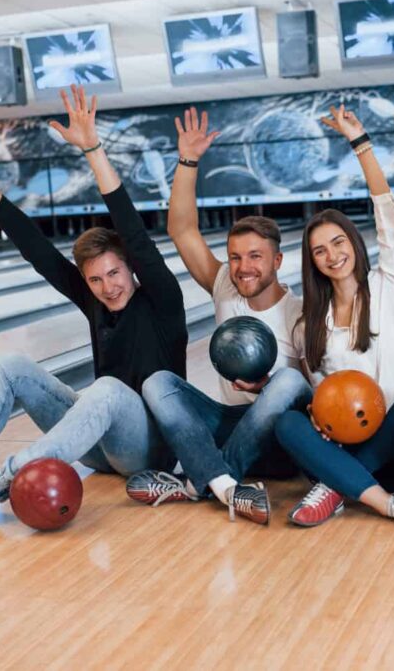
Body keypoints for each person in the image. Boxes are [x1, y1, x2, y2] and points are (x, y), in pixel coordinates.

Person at [0, 85, 187, 533]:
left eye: (115, 274)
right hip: (97, 446)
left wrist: (92, 148)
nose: (108, 287)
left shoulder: (161, 298)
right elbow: (35, 248)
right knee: (9, 364)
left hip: (148, 450)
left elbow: (132, 229)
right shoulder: (93, 299)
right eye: (96, 280)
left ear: (132, 268)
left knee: (105, 390)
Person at [126, 107, 311, 525]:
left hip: (277, 444)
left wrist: (267, 386)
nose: (243, 267)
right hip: (224, 426)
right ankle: (225, 483)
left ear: (278, 260)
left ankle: (200, 481)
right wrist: (188, 161)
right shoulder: (225, 284)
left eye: (255, 257)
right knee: (158, 382)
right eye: (235, 257)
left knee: (290, 381)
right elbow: (183, 231)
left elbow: (312, 397)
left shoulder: (301, 315)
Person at [274, 105, 394, 530]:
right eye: (320, 250)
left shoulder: (388, 284)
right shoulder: (307, 323)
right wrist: (317, 416)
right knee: (290, 422)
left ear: (354, 241)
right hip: (339, 453)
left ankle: (335, 492)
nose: (333, 255)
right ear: (312, 262)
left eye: (338, 242)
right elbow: (318, 394)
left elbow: (391, 221)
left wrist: (361, 144)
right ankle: (384, 504)